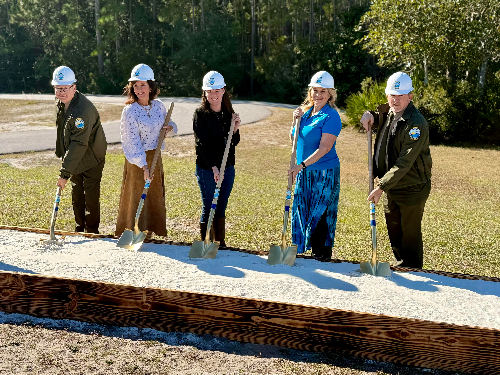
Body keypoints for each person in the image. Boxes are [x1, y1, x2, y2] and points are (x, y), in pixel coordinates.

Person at [360, 72, 432, 268]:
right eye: (392, 95)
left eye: (400, 95)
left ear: (411, 95)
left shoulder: (416, 124)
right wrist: (370, 115)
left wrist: (381, 186)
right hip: (392, 186)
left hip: (412, 187)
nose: (395, 99)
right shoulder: (390, 113)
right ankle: (401, 265)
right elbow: (380, 117)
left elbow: (404, 162)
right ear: (387, 95)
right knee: (394, 229)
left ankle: (414, 269)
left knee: (410, 234)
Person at [115, 64, 177, 239]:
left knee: (153, 195)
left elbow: (171, 124)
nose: (139, 89)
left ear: (151, 86)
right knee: (136, 194)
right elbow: (131, 141)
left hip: (155, 157)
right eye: (135, 85)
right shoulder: (129, 111)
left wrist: (169, 128)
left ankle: (149, 231)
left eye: (143, 85)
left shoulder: (158, 106)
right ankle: (133, 231)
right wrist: (143, 166)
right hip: (137, 161)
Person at [289, 71, 342, 261]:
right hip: (304, 171)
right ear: (310, 91)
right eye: (315, 90)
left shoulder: (331, 116)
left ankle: (322, 254)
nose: (318, 95)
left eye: (323, 91)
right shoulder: (305, 112)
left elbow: (325, 148)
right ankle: (303, 252)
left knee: (320, 214)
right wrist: (294, 121)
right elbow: (294, 139)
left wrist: (301, 165)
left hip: (324, 172)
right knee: (301, 210)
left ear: (330, 94)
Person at [51, 66, 107, 234]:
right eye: (57, 88)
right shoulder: (61, 103)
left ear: (74, 87)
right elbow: (63, 132)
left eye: (64, 88)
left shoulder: (83, 110)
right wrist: (64, 157)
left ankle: (91, 231)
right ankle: (79, 228)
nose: (61, 92)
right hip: (75, 156)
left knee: (90, 195)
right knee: (76, 194)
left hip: (92, 157)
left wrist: (64, 172)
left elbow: (79, 143)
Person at [193, 71, 241, 249]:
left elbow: (233, 143)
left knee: (221, 205)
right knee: (209, 205)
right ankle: (206, 243)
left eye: (217, 91)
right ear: (204, 93)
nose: (213, 95)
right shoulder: (200, 114)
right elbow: (202, 145)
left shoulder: (229, 113)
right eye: (209, 91)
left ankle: (220, 243)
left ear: (223, 91)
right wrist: (214, 168)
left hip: (228, 167)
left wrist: (235, 129)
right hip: (207, 169)